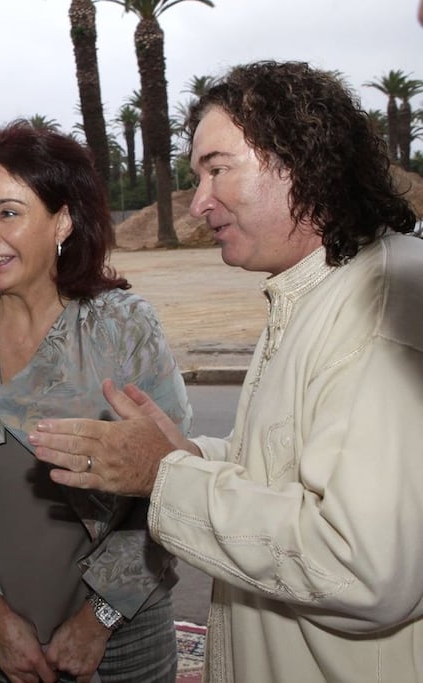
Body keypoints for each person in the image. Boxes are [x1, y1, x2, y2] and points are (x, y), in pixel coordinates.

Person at [29, 61, 423, 682]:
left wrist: (166, 475)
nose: (200, 201)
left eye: (218, 169)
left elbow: (363, 570)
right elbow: (286, 470)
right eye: (196, 177)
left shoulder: (379, 312)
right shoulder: (315, 290)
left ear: (301, 158)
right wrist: (187, 454)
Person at [0, 122, 191, 683]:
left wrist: (98, 619)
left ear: (62, 220)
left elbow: (173, 485)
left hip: (121, 645)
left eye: (9, 212)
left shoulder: (125, 327)